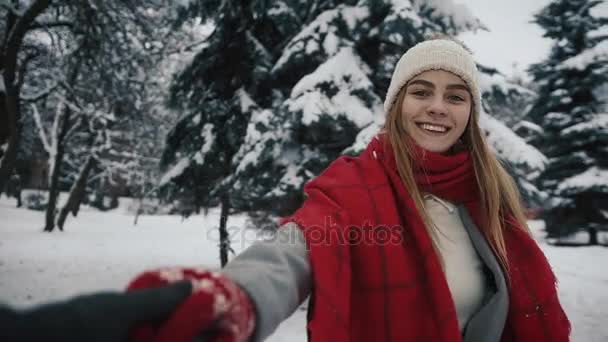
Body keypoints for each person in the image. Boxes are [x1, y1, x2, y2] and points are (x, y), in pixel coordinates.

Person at [1, 35, 570, 342]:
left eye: (456, 94)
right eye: (422, 90)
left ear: (472, 110)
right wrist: (229, 301)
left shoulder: (491, 200)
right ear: (397, 105)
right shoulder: (354, 188)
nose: (438, 107)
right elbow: (293, 252)